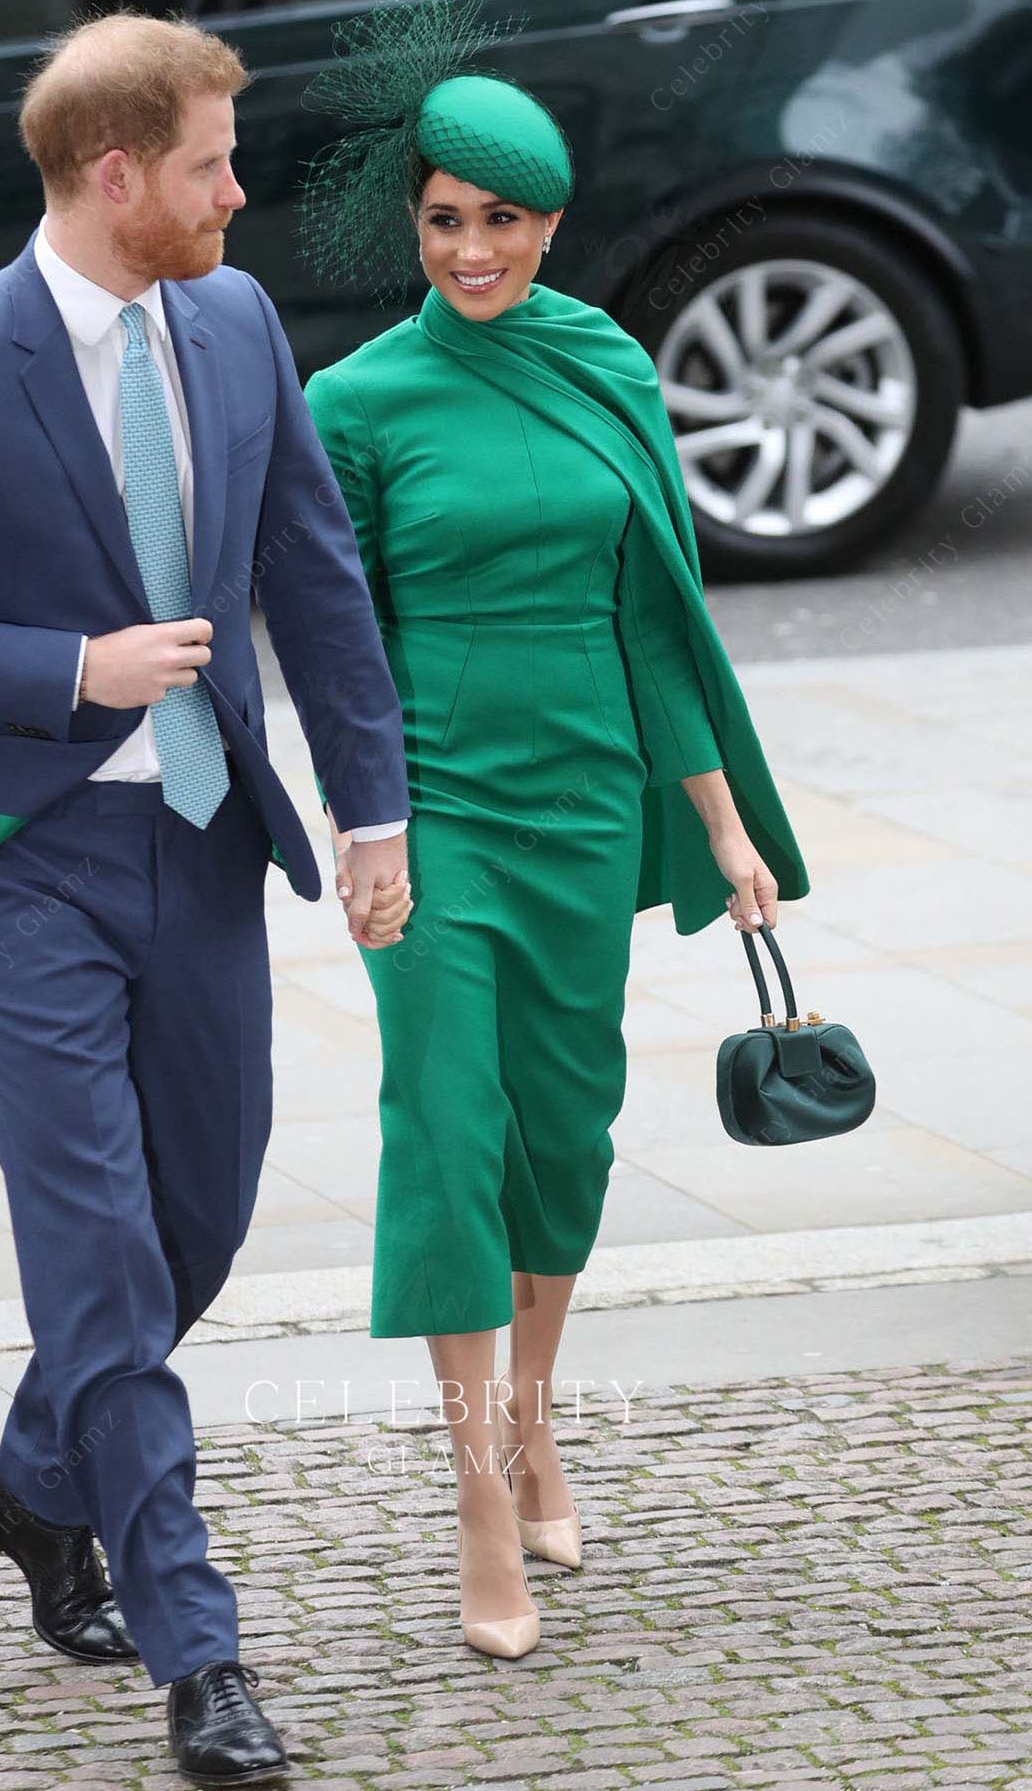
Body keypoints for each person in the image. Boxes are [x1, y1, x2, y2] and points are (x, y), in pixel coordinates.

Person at [0, 11, 412, 1783]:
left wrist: (372, 806)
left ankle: (32, 1485)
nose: (239, 192)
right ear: (114, 177)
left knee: (201, 1225)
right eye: (210, 166)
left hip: (201, 844)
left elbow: (309, 570)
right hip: (19, 856)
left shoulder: (232, 322)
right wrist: (64, 667)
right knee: (95, 1249)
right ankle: (198, 1650)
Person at [299, 0, 810, 1662]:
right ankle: (471, 1498)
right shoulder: (360, 405)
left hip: (592, 804)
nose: (471, 249)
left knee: (564, 1138)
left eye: (502, 221)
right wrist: (365, 832)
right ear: (418, 221)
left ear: (551, 224)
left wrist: (723, 827)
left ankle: (536, 1416)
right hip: (437, 820)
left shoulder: (606, 364)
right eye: (444, 220)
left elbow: (656, 618)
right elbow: (332, 643)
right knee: (446, 1139)